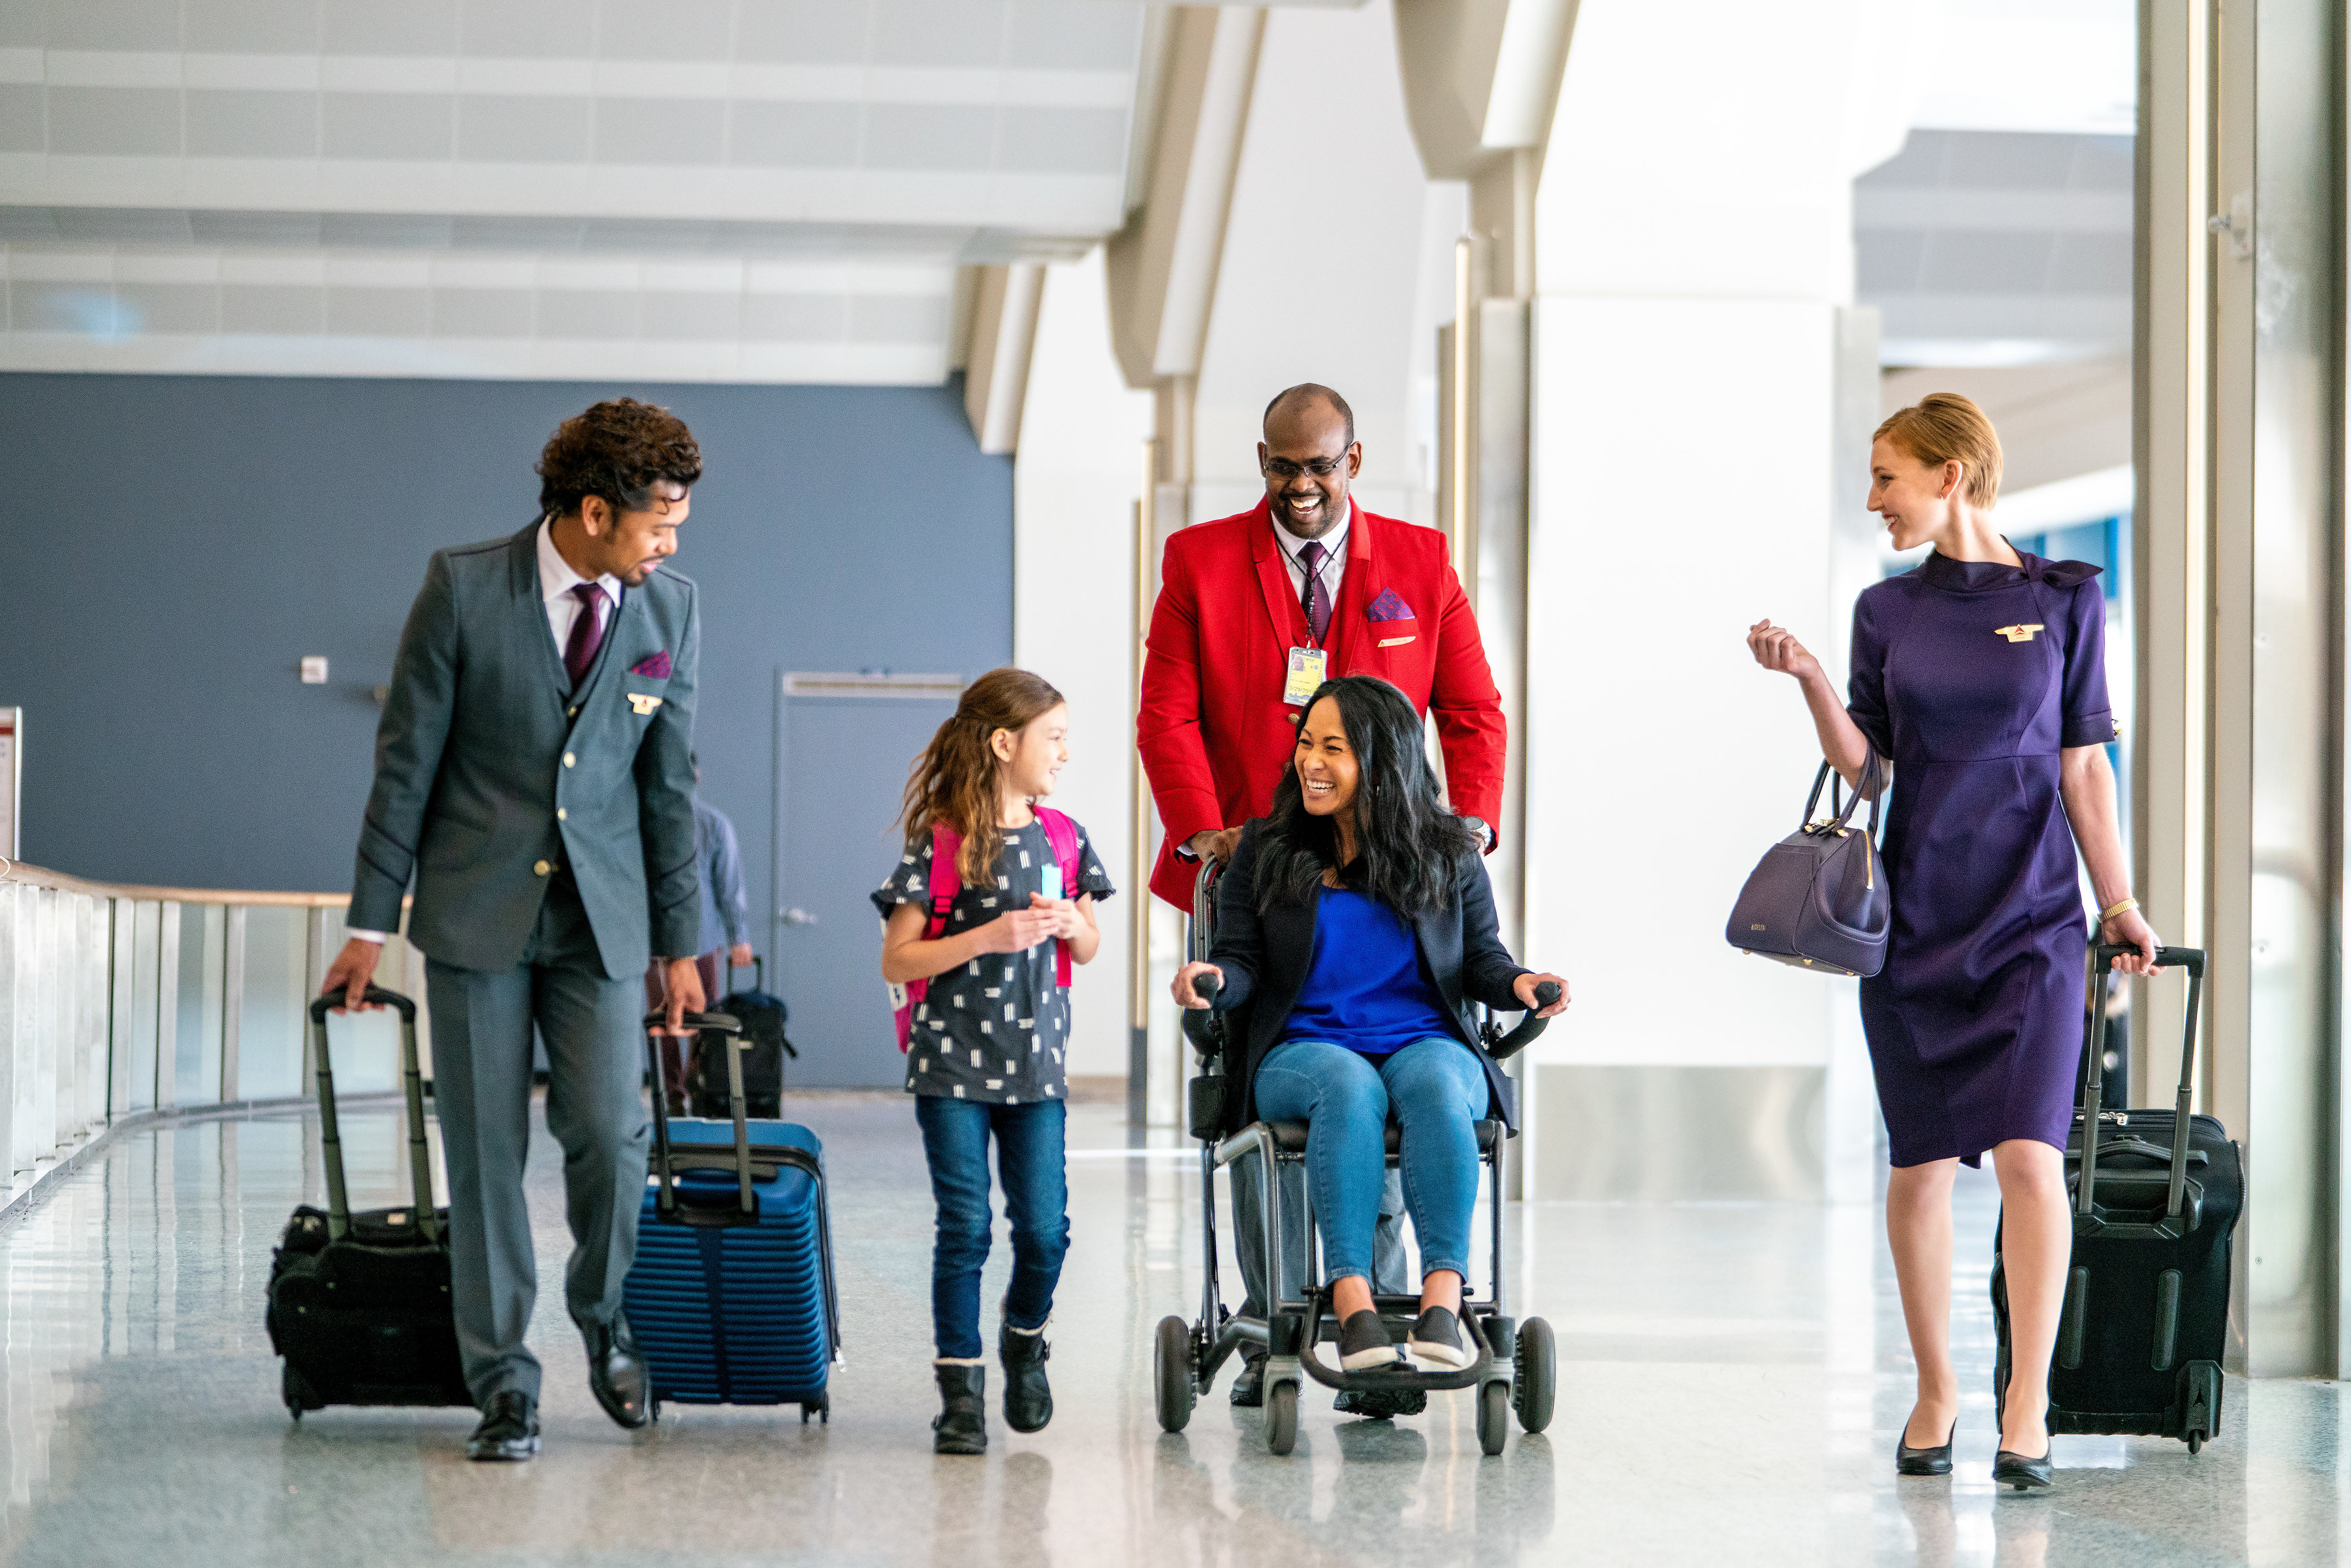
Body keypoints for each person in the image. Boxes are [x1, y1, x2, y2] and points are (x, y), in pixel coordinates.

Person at [1746, 392, 2160, 1492]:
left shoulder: (2066, 598)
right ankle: (1937, 1388)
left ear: (1952, 476)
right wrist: (1813, 683)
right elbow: (1870, 768)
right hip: (1919, 918)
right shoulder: (1886, 611)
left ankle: (2025, 1401)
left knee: (2031, 1159)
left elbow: (2084, 767)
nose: (1874, 498)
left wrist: (2117, 904)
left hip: (2032, 923)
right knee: (1920, 1167)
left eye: (1889, 476)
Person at [320, 398, 708, 1464]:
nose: (671, 543)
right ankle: (504, 1384)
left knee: (610, 1138)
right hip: (475, 917)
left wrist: (684, 946)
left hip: (603, 927)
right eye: (659, 521)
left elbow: (671, 789)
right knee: (487, 1155)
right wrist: (367, 921)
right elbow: (404, 767)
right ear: (595, 510)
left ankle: (604, 1315)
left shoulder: (668, 611)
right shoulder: (461, 588)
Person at [1138, 382, 1509, 1413]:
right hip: (1253, 875)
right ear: (1261, 460)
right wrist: (1210, 828)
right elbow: (1165, 714)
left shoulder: (1421, 563)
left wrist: (1467, 822)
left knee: (1395, 1078)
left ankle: (1383, 1316)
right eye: (1280, 467)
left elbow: (1474, 710)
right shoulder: (1202, 561)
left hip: (1386, 871)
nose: (1299, 488)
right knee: (1274, 1077)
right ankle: (1278, 1316)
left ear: (1355, 461)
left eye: (1319, 467)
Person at [1172, 677, 1567, 1371]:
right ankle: (1353, 1302)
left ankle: (1442, 1297)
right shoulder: (1266, 848)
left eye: (1334, 748)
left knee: (1444, 1083)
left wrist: (1521, 984)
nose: (1310, 762)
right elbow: (1241, 961)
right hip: (1305, 1049)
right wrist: (1213, 981)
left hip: (1421, 1040)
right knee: (1349, 1087)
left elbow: (1482, 959)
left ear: (1383, 762)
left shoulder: (1450, 852)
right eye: (1306, 743)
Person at [874, 668, 1114, 1455]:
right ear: (1004, 742)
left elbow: (1088, 941)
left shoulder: (1065, 839)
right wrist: (988, 936)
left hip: (1037, 1067)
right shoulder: (940, 843)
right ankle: (960, 1392)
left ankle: (1023, 1338)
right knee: (966, 1226)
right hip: (949, 1067)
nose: (1064, 753)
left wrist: (1064, 923)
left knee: (1045, 1232)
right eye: (1054, 738)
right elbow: (898, 962)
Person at [644, 756, 755, 1114]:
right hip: (658, 943)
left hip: (702, 942)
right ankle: (676, 1097)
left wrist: (740, 937)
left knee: (700, 1019)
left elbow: (728, 886)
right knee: (667, 1023)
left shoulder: (713, 825)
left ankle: (698, 1088)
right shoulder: (645, 822)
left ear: (696, 775)